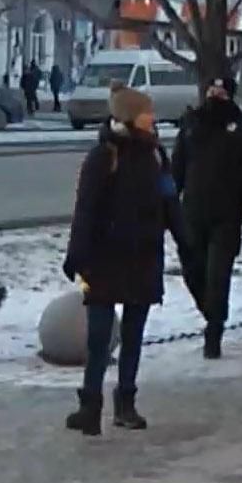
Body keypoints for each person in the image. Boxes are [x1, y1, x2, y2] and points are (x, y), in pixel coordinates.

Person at [62, 84, 181, 435]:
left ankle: (125, 402)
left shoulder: (157, 155)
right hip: (104, 258)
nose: (153, 117)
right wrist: (77, 255)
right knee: (99, 337)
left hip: (143, 256)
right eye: (147, 111)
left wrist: (187, 241)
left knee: (133, 334)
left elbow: (170, 202)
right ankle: (90, 405)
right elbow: (85, 210)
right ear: (130, 116)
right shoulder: (103, 157)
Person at [171, 75, 242, 359]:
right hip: (192, 212)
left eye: (221, 92)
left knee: (217, 275)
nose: (215, 95)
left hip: (226, 216)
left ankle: (214, 329)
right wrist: (166, 204)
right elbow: (177, 167)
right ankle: (210, 310)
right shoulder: (191, 125)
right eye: (211, 90)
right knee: (192, 269)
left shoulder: (241, 130)